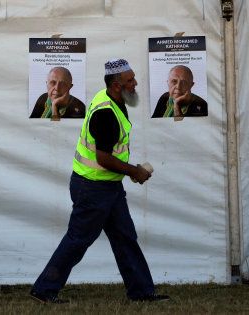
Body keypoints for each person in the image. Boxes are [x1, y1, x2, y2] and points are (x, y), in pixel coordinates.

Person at [30, 59, 170, 304]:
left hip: (107, 186)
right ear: (117, 85)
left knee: (125, 237)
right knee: (78, 239)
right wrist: (134, 171)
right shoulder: (106, 112)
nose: (135, 83)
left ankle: (142, 292)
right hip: (93, 188)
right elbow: (103, 158)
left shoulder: (111, 99)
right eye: (130, 80)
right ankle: (44, 289)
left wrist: (126, 172)